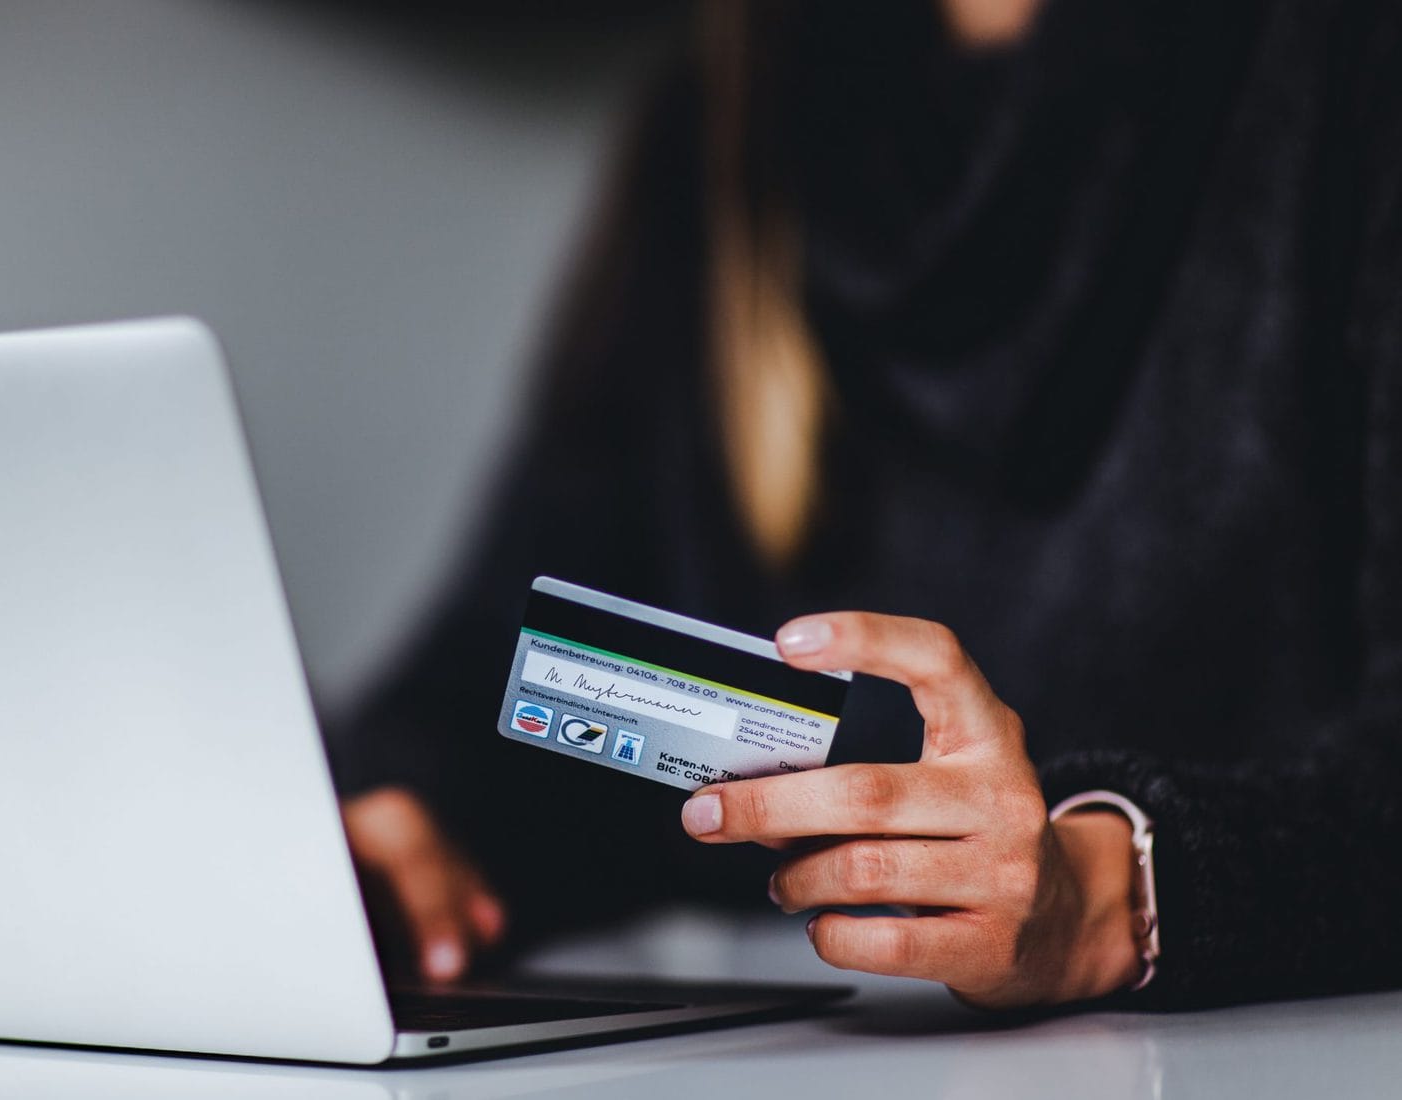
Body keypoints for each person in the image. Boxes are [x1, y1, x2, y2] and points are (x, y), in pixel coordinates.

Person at [331, 0, 1402, 1011]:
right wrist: (407, 823)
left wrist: (1110, 891)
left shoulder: (1346, 64)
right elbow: (497, 669)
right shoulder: (728, 111)